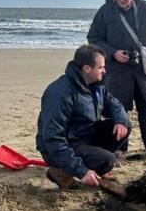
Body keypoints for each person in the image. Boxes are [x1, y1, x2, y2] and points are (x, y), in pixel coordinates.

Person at [87, 0, 146, 157]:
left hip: (143, 70)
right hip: (116, 71)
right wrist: (113, 53)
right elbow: (93, 38)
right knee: (118, 110)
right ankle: (120, 148)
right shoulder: (105, 12)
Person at [36, 44, 131, 189]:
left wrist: (121, 121)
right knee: (107, 160)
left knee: (125, 125)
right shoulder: (60, 93)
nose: (104, 71)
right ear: (87, 68)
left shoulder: (95, 85)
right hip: (61, 146)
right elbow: (52, 138)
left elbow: (114, 104)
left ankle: (97, 166)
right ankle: (61, 173)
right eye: (100, 67)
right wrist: (81, 171)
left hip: (85, 136)